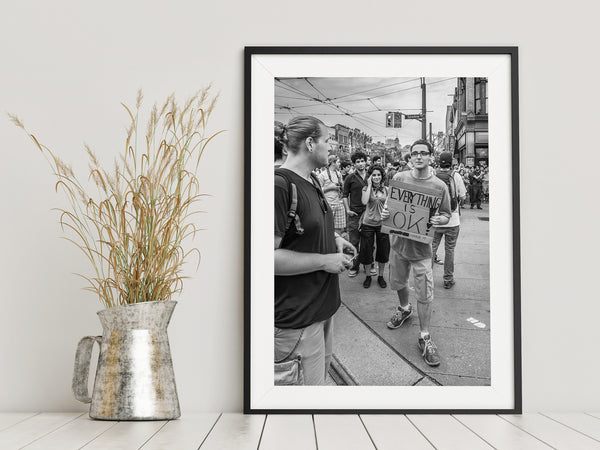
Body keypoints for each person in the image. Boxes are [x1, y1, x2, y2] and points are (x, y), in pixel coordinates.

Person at [274, 116, 356, 385]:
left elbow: (308, 225)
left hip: (322, 311)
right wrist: (324, 261)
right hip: (296, 321)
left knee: (318, 390)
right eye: (327, 140)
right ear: (310, 143)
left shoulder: (313, 181)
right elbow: (265, 259)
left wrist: (333, 238)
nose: (332, 146)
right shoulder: (279, 185)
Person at [384, 139, 451, 367]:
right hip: (398, 246)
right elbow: (390, 209)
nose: (419, 157)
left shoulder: (439, 186)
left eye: (424, 153)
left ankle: (424, 336)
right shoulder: (400, 179)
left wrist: (440, 218)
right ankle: (404, 308)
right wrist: (386, 211)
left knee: (425, 293)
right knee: (398, 283)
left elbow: (446, 214)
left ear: (431, 156)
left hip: (422, 249)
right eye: (415, 153)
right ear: (410, 157)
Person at [432, 151, 467, 289]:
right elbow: (463, 196)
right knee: (450, 250)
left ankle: (426, 278)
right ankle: (448, 279)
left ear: (439, 162)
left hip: (435, 219)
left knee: (431, 249)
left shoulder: (433, 175)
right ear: (451, 162)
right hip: (452, 220)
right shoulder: (456, 176)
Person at [358, 165, 390, 289]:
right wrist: (370, 184)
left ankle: (381, 276)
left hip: (382, 224)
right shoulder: (366, 188)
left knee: (383, 251)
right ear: (370, 176)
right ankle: (368, 276)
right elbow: (364, 202)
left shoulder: (386, 190)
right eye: (374, 175)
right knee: (366, 251)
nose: (376, 177)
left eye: (378, 175)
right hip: (368, 224)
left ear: (382, 176)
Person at [342, 151, 368, 277]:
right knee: (354, 241)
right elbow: (344, 195)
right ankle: (354, 266)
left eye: (362, 161)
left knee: (368, 242)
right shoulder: (350, 178)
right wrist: (347, 209)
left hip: (369, 213)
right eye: (358, 162)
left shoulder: (371, 176)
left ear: (366, 161)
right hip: (354, 214)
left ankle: (369, 264)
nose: (361, 163)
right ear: (354, 164)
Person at [318, 155, 346, 235]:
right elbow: (318, 191)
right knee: (327, 228)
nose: (340, 163)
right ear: (333, 163)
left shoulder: (339, 174)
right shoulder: (322, 175)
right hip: (328, 204)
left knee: (338, 229)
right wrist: (330, 188)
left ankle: (336, 246)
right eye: (338, 162)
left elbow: (342, 188)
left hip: (339, 204)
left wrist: (341, 187)